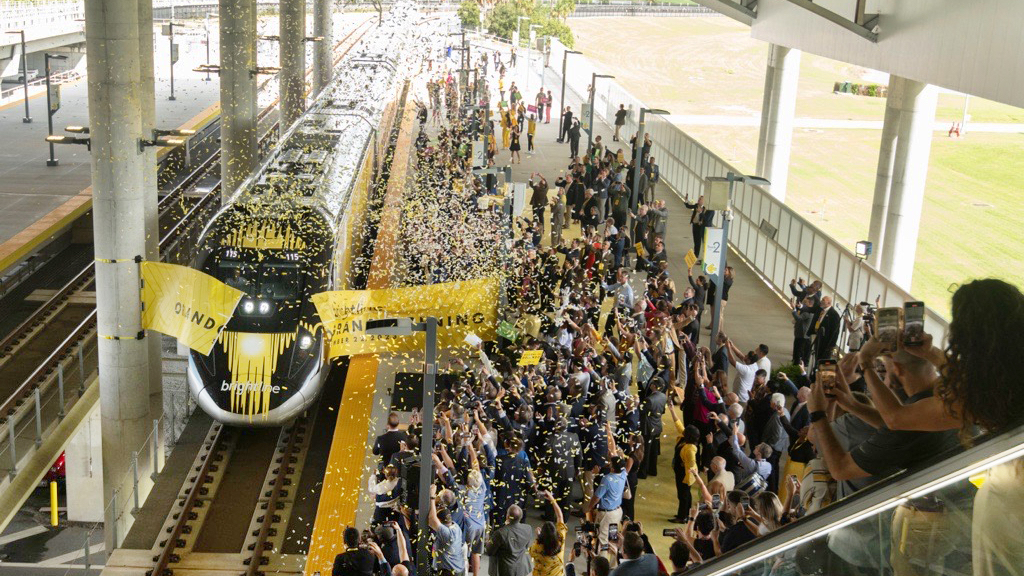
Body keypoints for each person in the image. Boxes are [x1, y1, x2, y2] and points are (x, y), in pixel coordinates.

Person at [667, 401, 699, 523]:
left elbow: (691, 465)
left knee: (683, 496)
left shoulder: (690, 449)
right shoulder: (684, 439)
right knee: (684, 495)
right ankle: (685, 513)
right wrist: (672, 411)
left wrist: (689, 478)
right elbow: (678, 425)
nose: (683, 431)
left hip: (685, 475)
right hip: (680, 471)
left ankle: (683, 517)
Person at [485, 504, 535, 576]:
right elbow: (526, 546)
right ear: (521, 517)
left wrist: (487, 541)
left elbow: (489, 552)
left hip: (506, 570)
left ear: (508, 517)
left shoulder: (500, 533)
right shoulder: (528, 528)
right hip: (522, 568)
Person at [428, 485, 465, 576]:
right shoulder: (455, 526)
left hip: (450, 572)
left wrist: (432, 497)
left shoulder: (446, 533)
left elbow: (431, 519)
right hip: (458, 568)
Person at [529, 492, 568, 576]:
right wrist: (552, 499)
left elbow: (531, 553)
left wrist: (538, 537)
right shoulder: (560, 540)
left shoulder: (537, 546)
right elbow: (560, 516)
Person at [812, 295, 842, 363]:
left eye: (823, 300)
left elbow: (835, 331)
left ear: (829, 303)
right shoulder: (822, 311)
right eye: (822, 299)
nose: (821, 301)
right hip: (819, 339)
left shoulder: (834, 314)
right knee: (817, 359)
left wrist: (831, 345)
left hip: (826, 343)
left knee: (823, 361)